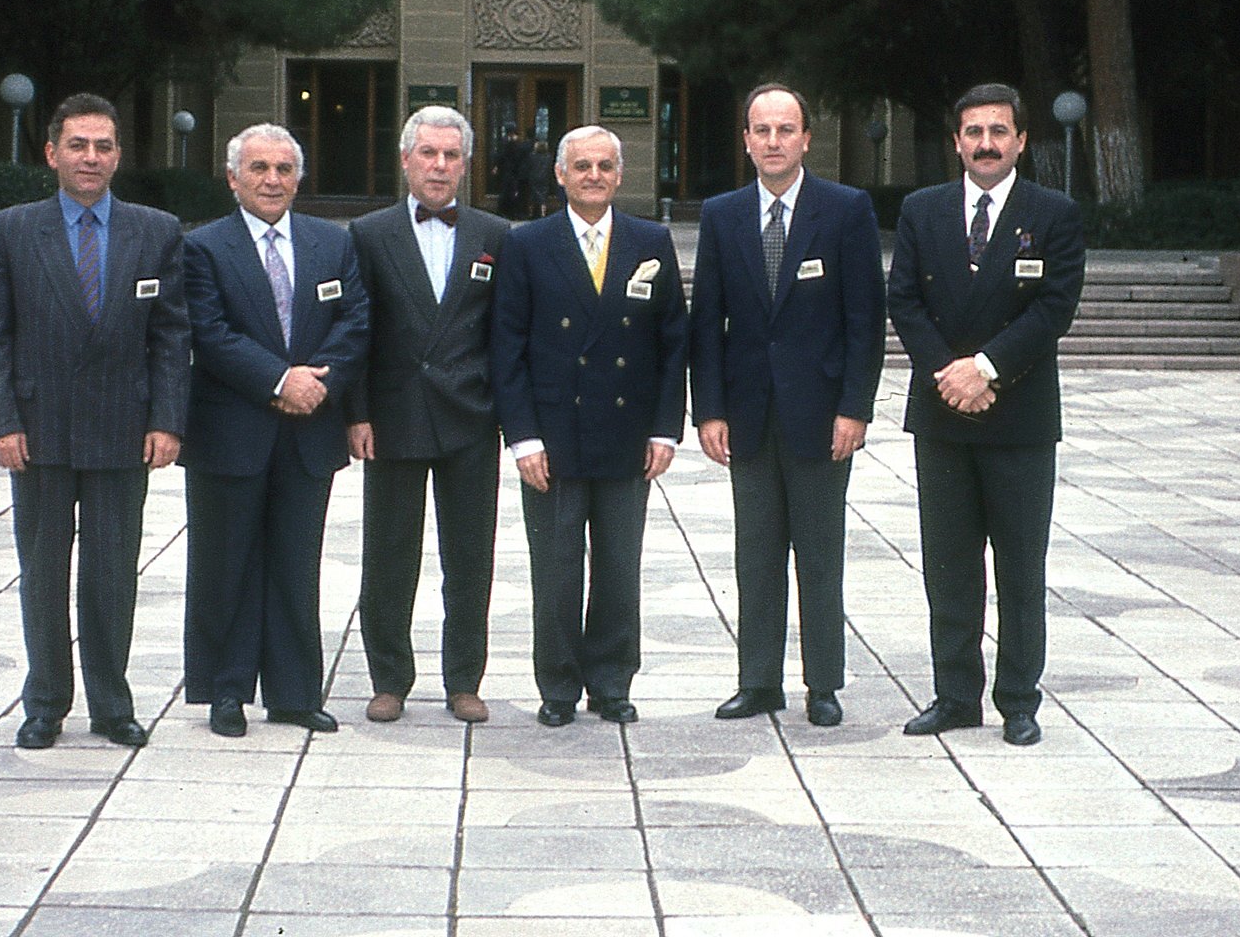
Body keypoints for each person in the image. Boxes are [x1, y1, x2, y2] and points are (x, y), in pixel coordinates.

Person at [0, 93, 188, 751]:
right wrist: (2, 422)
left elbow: (171, 337)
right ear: (51, 153)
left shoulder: (156, 231)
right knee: (42, 575)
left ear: (118, 156)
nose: (90, 157)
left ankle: (112, 705)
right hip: (39, 434)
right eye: (77, 145)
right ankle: (45, 703)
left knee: (112, 575)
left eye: (103, 146)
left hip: (124, 432)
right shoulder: (11, 230)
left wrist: (167, 420)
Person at [887, 85, 1084, 747]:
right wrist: (951, 374)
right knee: (949, 567)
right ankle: (953, 697)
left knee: (1020, 570)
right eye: (973, 132)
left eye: (999, 131)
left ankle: (1019, 701)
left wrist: (987, 369)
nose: (985, 143)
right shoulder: (921, 210)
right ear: (956, 142)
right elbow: (904, 299)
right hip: (943, 413)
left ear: (1021, 141)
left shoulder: (1053, 214)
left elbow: (1054, 307)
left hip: (1018, 418)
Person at [690, 84, 886, 729]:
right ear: (746, 140)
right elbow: (706, 320)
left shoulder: (845, 210)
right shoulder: (721, 215)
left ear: (806, 138)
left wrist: (855, 408)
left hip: (822, 417)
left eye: (785, 129)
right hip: (747, 415)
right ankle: (758, 681)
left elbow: (865, 320)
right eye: (761, 130)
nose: (773, 141)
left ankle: (822, 683)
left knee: (820, 555)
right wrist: (709, 410)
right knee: (756, 556)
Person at [490, 126, 687, 726]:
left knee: (620, 568)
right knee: (556, 571)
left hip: (627, 435)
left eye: (604, 166)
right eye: (581, 166)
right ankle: (557, 687)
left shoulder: (650, 241)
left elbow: (673, 342)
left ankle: (611, 682)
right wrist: (523, 438)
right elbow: (507, 347)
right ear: (560, 174)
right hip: (552, 438)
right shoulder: (527, 243)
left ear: (619, 175)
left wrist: (665, 430)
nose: (593, 176)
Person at [180, 123, 368, 737]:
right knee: (226, 563)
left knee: (296, 565)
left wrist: (318, 383)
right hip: (231, 430)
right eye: (258, 168)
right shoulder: (203, 247)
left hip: (309, 430)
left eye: (284, 169)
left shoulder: (332, 243)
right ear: (232, 178)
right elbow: (210, 333)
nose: (272, 180)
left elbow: (355, 323)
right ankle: (226, 691)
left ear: (299, 178)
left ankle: (293, 694)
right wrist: (279, 380)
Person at [347, 107, 510, 725]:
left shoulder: (496, 234)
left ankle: (464, 679)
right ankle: (389, 679)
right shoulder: (368, 234)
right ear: (405, 159)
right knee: (388, 555)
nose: (439, 166)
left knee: (470, 557)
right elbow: (356, 331)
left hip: (470, 415)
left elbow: (505, 334)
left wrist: (509, 418)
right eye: (428, 154)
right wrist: (356, 412)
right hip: (394, 417)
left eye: (451, 155)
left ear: (466, 164)